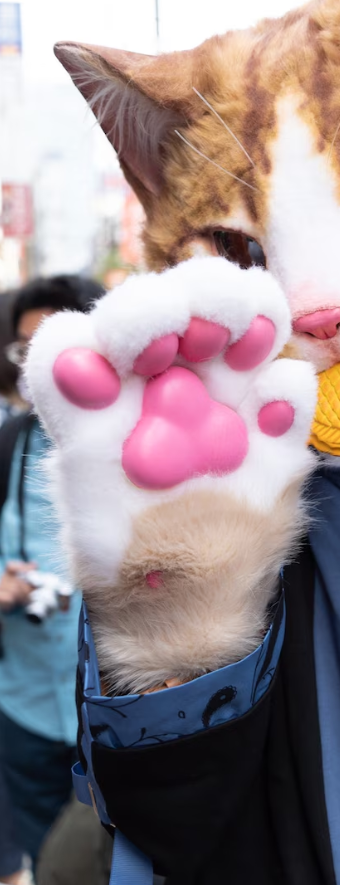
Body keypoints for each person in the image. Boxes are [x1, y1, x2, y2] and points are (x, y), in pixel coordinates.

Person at [0, 275, 106, 885]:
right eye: (22, 351)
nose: (32, 369)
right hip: (28, 704)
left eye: (52, 347)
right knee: (49, 859)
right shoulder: (10, 440)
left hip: (116, 712)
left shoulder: (138, 443)